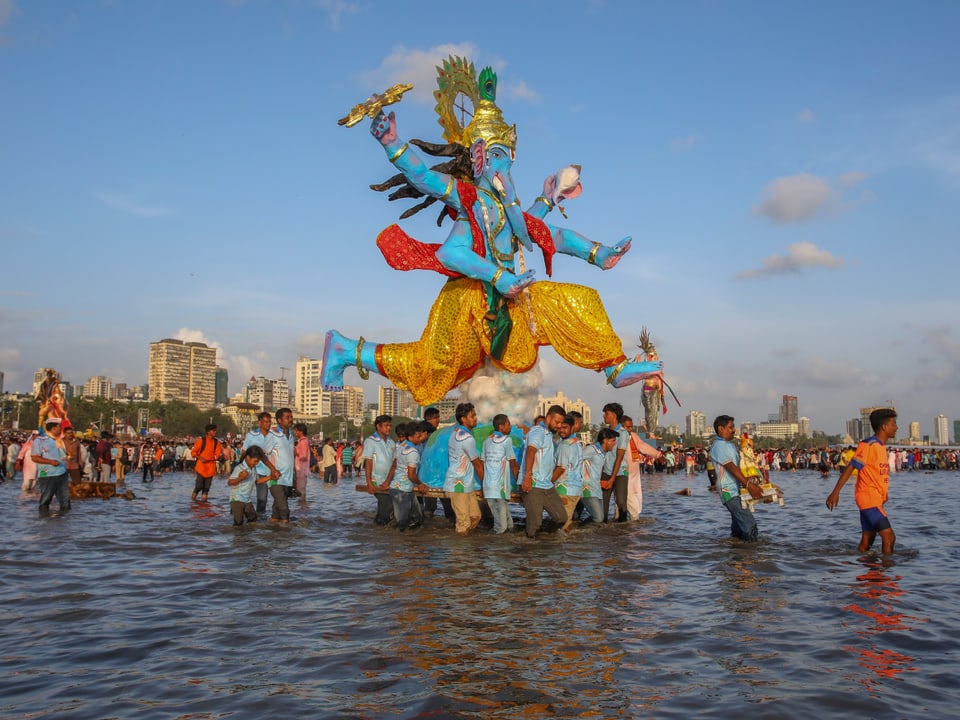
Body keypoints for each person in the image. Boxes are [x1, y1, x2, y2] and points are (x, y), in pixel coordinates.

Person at [320, 60, 664, 406]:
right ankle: (347, 350)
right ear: (480, 158)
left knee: (580, 299)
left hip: (511, 297)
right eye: (499, 155)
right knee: (431, 366)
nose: (507, 165)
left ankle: (615, 367)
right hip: (470, 300)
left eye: (510, 157)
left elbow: (543, 233)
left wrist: (584, 238)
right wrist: (393, 144)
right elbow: (446, 242)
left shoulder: (503, 206)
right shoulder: (472, 201)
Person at [826, 408, 899, 554]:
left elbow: (877, 474)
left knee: (868, 539)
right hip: (868, 498)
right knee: (889, 537)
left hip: (875, 499)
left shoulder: (880, 447)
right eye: (893, 424)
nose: (896, 428)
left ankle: (866, 571)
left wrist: (884, 494)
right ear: (884, 427)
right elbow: (850, 467)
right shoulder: (868, 445)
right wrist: (835, 492)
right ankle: (887, 572)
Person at [709, 415, 759, 542]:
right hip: (729, 493)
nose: (734, 430)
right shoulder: (719, 446)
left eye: (733, 427)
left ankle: (736, 555)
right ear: (721, 429)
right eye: (730, 427)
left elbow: (740, 468)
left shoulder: (730, 445)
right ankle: (751, 555)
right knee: (750, 525)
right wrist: (749, 485)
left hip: (737, 491)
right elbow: (732, 468)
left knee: (738, 529)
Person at [521, 404, 568, 538]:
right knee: (534, 523)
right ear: (548, 418)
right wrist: (527, 477)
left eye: (561, 423)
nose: (559, 426)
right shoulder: (538, 431)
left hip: (547, 485)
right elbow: (531, 451)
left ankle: (544, 537)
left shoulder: (549, 435)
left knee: (561, 517)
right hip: (533, 484)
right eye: (556, 422)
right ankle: (532, 549)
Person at [444, 403, 484, 535]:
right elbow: (477, 463)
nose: (475, 418)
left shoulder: (458, 433)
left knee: (475, 517)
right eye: (472, 416)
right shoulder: (466, 438)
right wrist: (486, 484)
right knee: (464, 522)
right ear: (463, 419)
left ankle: (466, 548)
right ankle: (459, 552)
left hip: (466, 483)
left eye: (475, 415)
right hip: (458, 484)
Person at [387, 421, 429, 531]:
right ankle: (398, 545)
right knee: (402, 521)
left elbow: (394, 465)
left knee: (417, 517)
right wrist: (421, 484)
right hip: (402, 490)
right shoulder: (413, 452)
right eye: (418, 436)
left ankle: (408, 543)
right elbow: (411, 475)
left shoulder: (401, 446)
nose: (420, 438)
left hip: (401, 488)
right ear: (410, 437)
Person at [482, 413, 519, 534]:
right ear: (501, 427)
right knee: (501, 527)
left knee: (507, 521)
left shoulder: (487, 441)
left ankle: (507, 541)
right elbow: (513, 464)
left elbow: (483, 462)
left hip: (488, 486)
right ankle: (496, 549)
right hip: (500, 486)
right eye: (508, 424)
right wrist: (519, 482)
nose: (511, 426)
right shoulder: (507, 440)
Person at [241, 412, 281, 514]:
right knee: (245, 494)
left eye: (269, 422)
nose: (268, 424)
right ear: (260, 422)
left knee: (264, 497)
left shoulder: (274, 436)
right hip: (254, 469)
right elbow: (244, 451)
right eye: (266, 422)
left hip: (268, 470)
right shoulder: (252, 435)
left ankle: (261, 517)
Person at [31, 418, 70, 515]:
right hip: (47, 475)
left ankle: (63, 523)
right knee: (45, 500)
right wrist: (50, 462)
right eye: (59, 427)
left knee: (65, 502)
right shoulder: (40, 441)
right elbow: (35, 457)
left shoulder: (59, 441)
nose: (60, 429)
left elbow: (63, 456)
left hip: (62, 474)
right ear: (53, 428)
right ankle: (44, 519)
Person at [363, 415, 396, 525]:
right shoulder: (370, 441)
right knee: (387, 504)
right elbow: (368, 462)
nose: (389, 428)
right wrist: (369, 482)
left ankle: (378, 528)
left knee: (384, 506)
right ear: (378, 426)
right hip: (376, 479)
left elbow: (394, 462)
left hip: (389, 481)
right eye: (386, 425)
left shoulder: (391, 442)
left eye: (390, 425)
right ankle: (381, 527)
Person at [581, 428, 618, 524]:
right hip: (587, 489)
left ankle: (579, 532)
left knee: (599, 517)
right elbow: (575, 460)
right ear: (605, 440)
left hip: (596, 490)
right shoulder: (591, 450)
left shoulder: (602, 453)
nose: (614, 443)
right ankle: (580, 530)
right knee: (599, 518)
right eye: (613, 440)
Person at [228, 446, 271, 526]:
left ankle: (248, 536)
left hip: (247, 499)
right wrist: (240, 478)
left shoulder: (253, 468)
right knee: (238, 522)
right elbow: (230, 482)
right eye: (255, 461)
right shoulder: (239, 468)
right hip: (236, 499)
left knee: (253, 518)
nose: (256, 463)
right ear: (248, 457)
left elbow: (258, 481)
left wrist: (270, 477)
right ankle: (239, 537)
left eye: (258, 461)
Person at [601, 403, 630, 522]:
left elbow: (619, 457)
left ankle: (623, 526)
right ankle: (603, 526)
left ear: (613, 415)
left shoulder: (623, 433)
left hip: (620, 472)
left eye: (606, 414)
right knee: (603, 501)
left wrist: (612, 478)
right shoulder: (605, 432)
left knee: (621, 501)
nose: (604, 416)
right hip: (606, 470)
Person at [554, 413, 583, 532]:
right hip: (574, 488)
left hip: (564, 489)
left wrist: (548, 482)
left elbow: (561, 468)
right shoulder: (575, 442)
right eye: (559, 428)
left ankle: (566, 548)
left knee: (563, 524)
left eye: (565, 427)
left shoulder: (565, 445)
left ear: (572, 427)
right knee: (567, 521)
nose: (561, 431)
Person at [267, 408, 296, 523]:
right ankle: (286, 537)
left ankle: (274, 531)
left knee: (277, 509)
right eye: (287, 417)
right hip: (276, 478)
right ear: (279, 420)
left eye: (291, 417)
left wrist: (294, 477)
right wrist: (272, 469)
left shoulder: (291, 436)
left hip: (288, 478)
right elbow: (263, 454)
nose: (290, 419)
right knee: (285, 510)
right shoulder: (273, 434)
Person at [190, 424, 223, 502]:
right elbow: (193, 453)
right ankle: (192, 501)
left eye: (215, 430)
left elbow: (217, 454)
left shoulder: (216, 442)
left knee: (206, 488)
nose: (215, 432)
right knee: (198, 486)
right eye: (213, 430)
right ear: (208, 432)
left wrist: (217, 457)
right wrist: (200, 458)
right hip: (201, 467)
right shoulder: (201, 441)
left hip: (211, 467)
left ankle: (204, 504)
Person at [293, 423, 311, 499]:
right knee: (300, 488)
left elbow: (303, 456)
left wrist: (295, 452)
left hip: (302, 468)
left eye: (296, 431)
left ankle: (302, 506)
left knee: (301, 489)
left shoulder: (303, 441)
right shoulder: (301, 441)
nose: (295, 432)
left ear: (301, 431)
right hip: (299, 467)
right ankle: (302, 506)